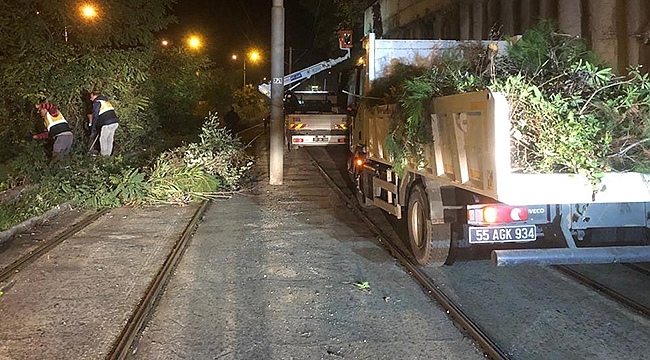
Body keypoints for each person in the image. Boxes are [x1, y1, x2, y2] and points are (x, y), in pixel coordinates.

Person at [90, 91, 119, 156]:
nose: (90, 99)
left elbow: (95, 116)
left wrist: (93, 127)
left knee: (103, 139)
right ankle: (108, 156)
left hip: (107, 123)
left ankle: (103, 156)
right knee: (109, 139)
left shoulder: (97, 102)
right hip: (114, 122)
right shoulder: (106, 102)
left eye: (91, 97)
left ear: (95, 96)